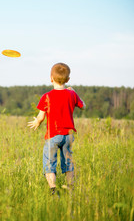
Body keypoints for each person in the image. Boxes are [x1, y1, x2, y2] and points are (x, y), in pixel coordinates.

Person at [28, 62, 86, 195]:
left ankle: (53, 190)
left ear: (51, 78)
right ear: (68, 80)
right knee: (68, 164)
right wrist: (75, 93)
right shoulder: (72, 95)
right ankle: (70, 190)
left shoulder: (47, 96)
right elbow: (83, 106)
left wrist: (37, 122)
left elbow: (41, 116)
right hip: (68, 135)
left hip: (53, 135)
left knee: (50, 165)